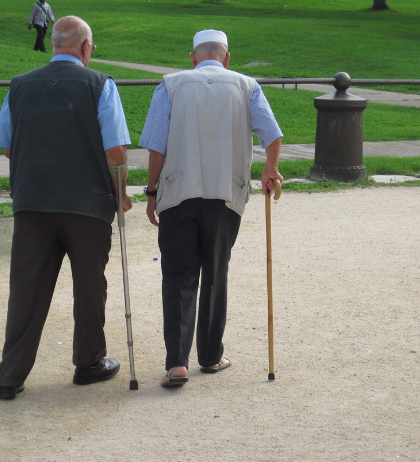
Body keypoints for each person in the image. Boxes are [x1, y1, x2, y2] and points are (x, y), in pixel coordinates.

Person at [0, 16, 132, 400]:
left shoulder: (19, 86)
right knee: (90, 285)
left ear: (54, 45)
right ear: (85, 47)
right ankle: (88, 362)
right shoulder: (101, 84)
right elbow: (116, 151)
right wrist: (120, 193)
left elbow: (7, 145)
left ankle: (10, 375)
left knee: (26, 288)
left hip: (32, 202)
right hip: (86, 203)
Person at [139, 29, 284, 387]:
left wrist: (152, 191)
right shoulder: (247, 86)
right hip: (225, 194)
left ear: (193, 57)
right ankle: (210, 355)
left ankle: (177, 362)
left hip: (178, 193)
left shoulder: (171, 85)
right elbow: (273, 134)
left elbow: (156, 147)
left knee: (178, 275)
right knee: (215, 273)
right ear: (227, 58)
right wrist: (271, 169)